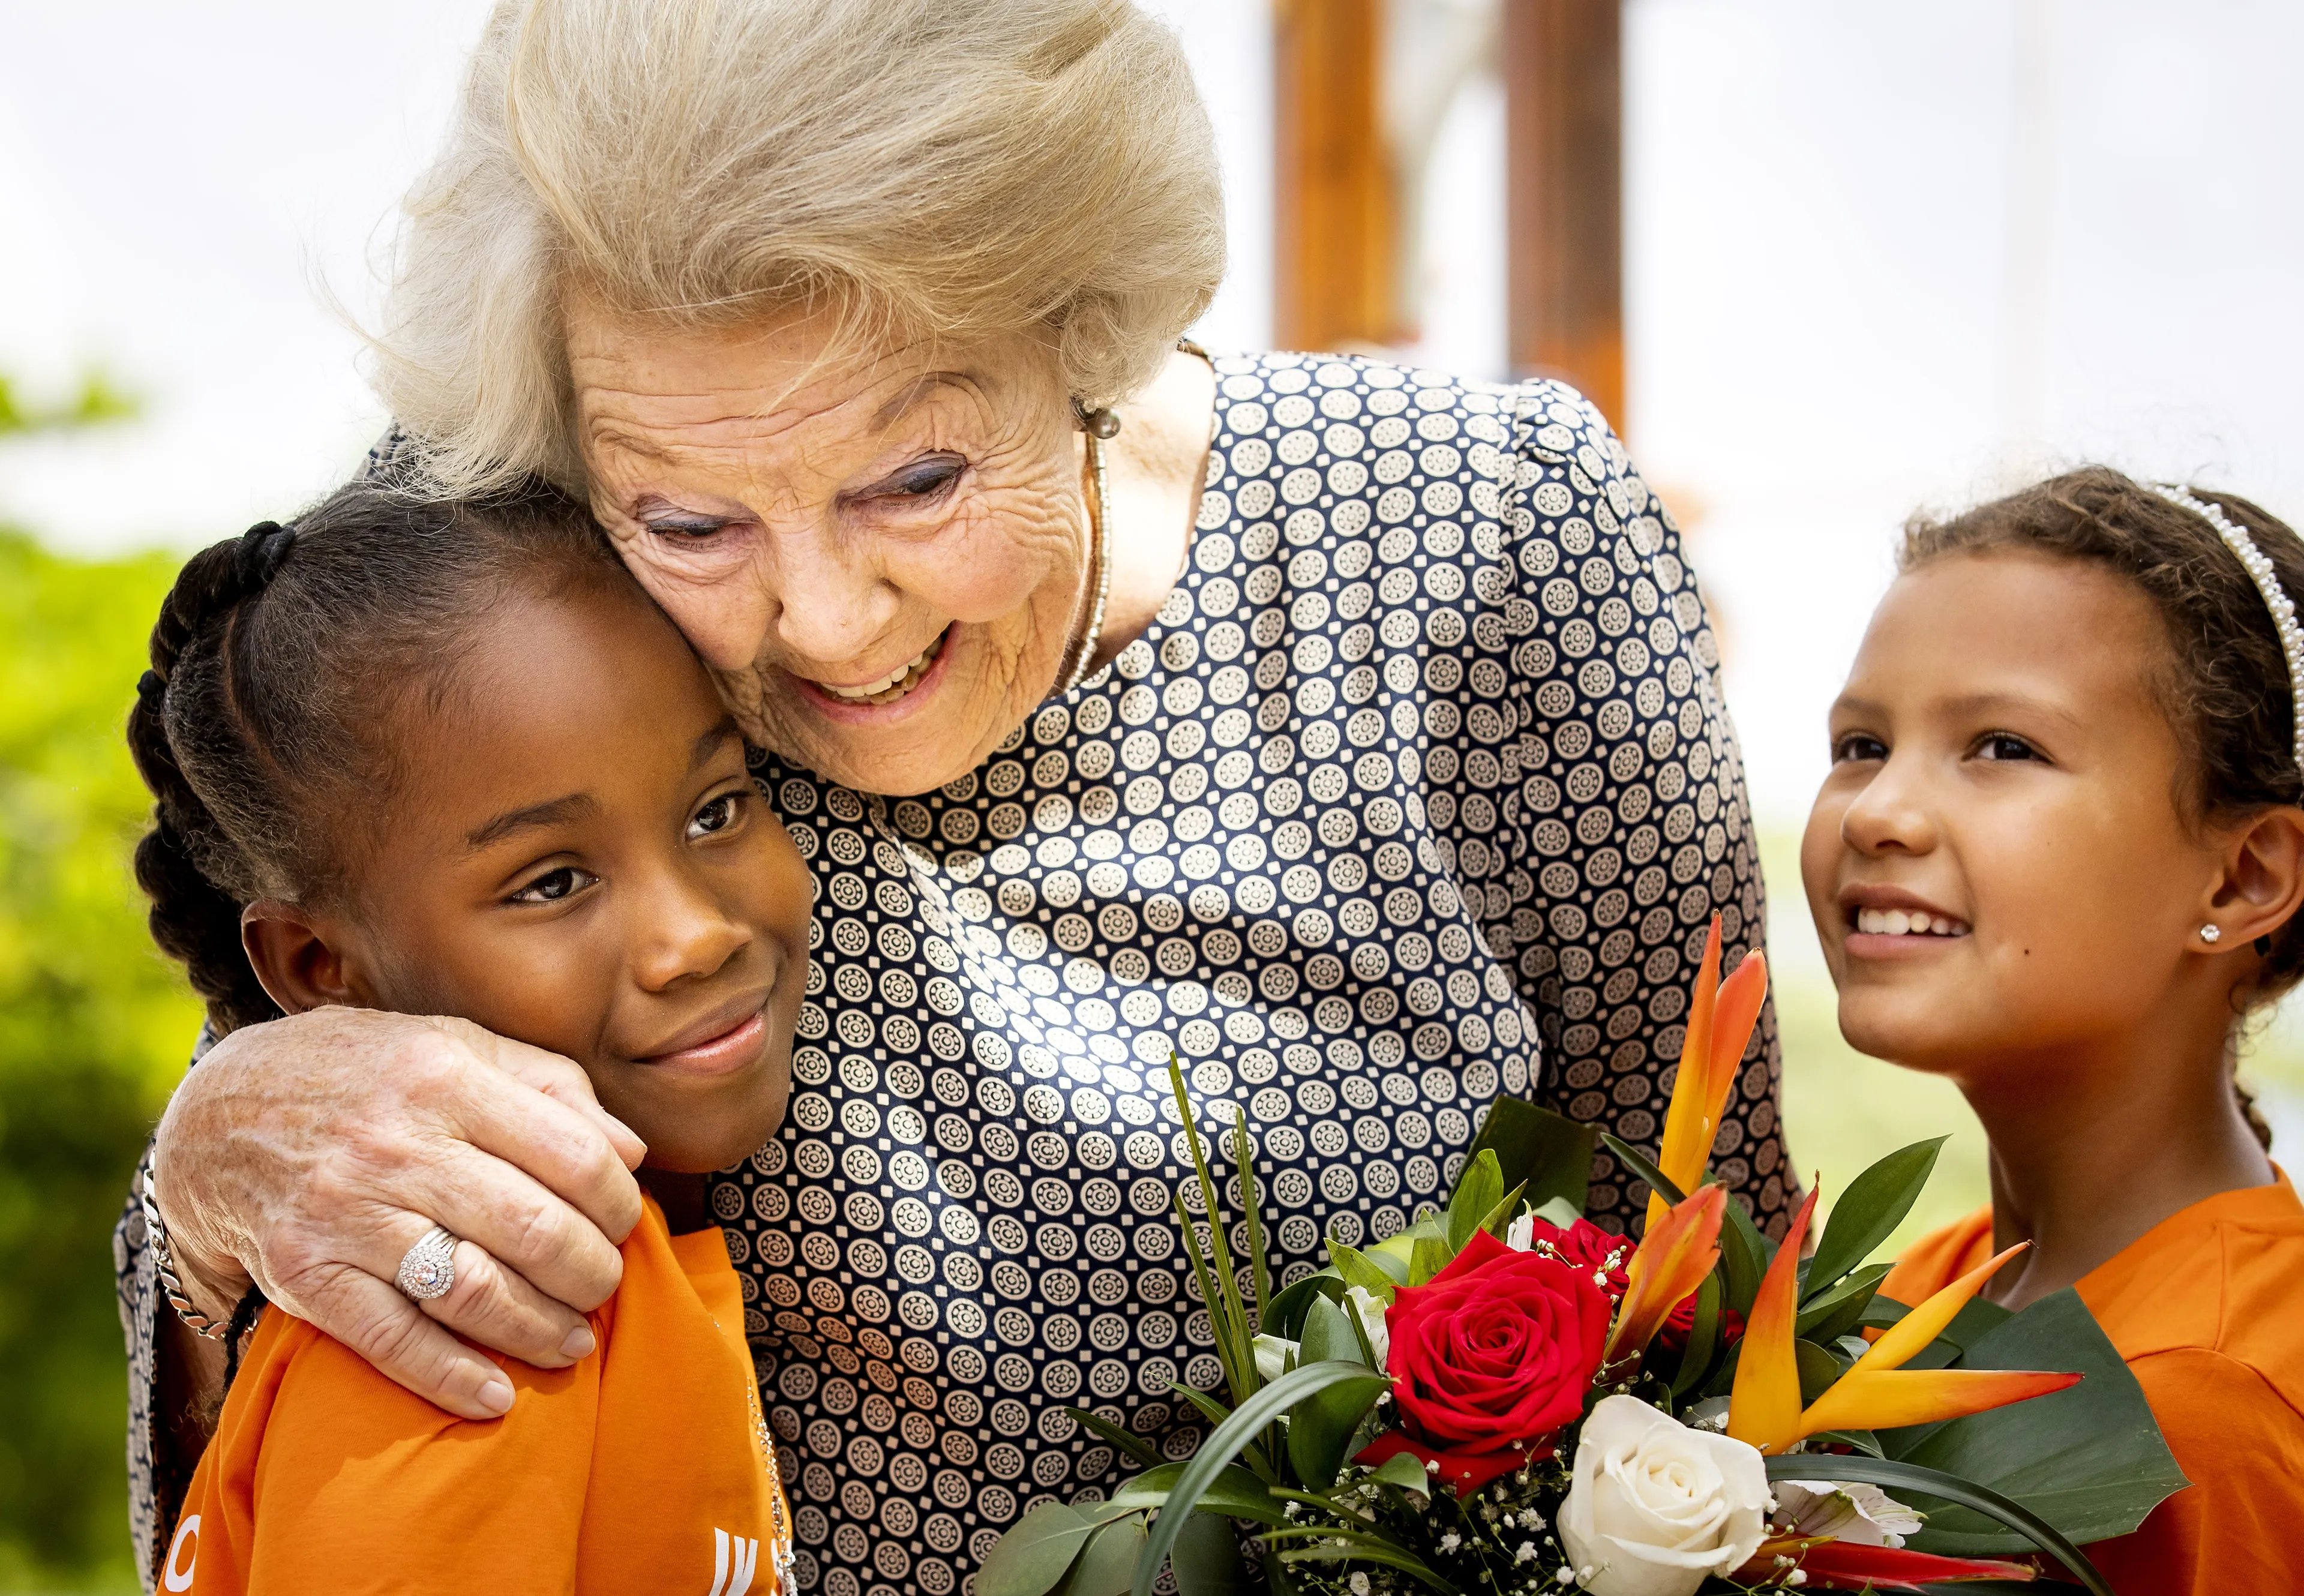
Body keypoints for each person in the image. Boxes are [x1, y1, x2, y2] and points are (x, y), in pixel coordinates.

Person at [118, 1, 1791, 1585]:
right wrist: (216, 1163)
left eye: (916, 477)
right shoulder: (505, 562)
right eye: (692, 521)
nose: (829, 621)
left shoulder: (1489, 539)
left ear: (1083, 327)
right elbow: (263, 1252)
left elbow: (1735, 1323)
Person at [134, 485, 808, 1592]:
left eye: (715, 810)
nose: (693, 937)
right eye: (551, 882)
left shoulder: (615, 1260)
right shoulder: (455, 1333)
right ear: (320, 971)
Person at [1802, 467, 2304, 1595]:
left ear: (2243, 873)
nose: (1878, 811)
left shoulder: (2204, 1408)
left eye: (2003, 748)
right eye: (1860, 744)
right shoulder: (1933, 1290)